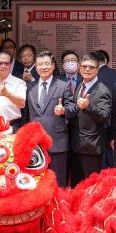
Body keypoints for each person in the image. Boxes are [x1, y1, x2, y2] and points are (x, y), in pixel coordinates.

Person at [23, 51, 75, 187]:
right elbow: (26, 115)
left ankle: (59, 208)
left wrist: (64, 111)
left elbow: (72, 108)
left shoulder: (63, 85)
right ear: (36, 67)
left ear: (53, 66)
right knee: (37, 182)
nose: (43, 67)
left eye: (47, 64)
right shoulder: (29, 87)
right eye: (40, 64)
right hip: (36, 143)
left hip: (57, 141)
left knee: (58, 183)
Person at [65, 53, 111, 184]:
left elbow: (104, 116)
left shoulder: (103, 90)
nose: (87, 69)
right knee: (77, 185)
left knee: (91, 186)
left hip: (91, 146)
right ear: (79, 68)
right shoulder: (80, 85)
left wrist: (88, 106)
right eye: (84, 66)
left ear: (97, 69)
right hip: (75, 144)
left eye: (91, 67)